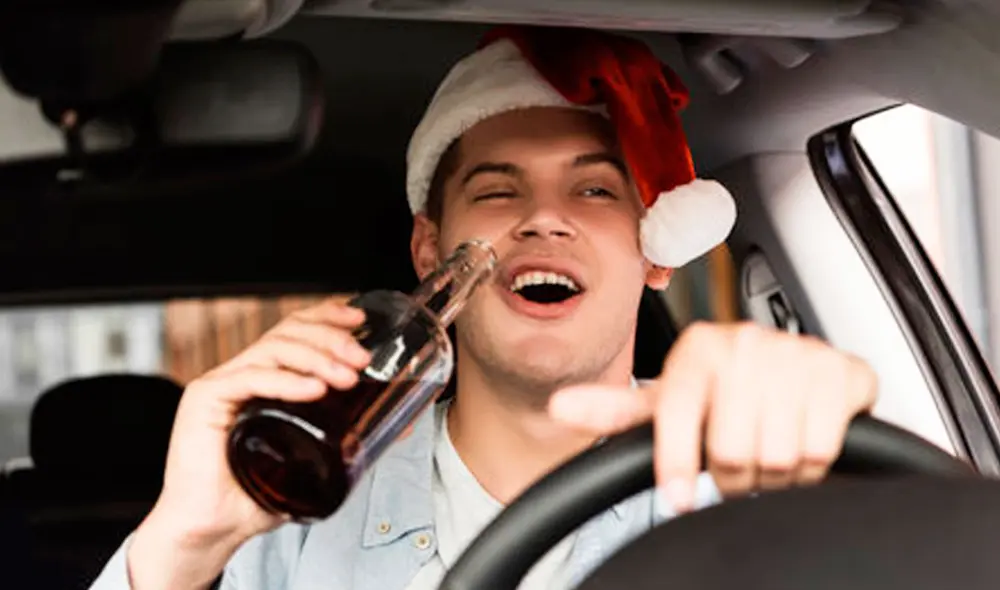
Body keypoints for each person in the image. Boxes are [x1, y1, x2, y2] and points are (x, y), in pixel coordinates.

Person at [90, 25, 877, 590]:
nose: (543, 217)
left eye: (595, 188)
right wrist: (179, 548)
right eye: (498, 190)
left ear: (653, 251)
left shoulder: (750, 479)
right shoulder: (295, 515)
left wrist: (842, 464)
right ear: (430, 250)